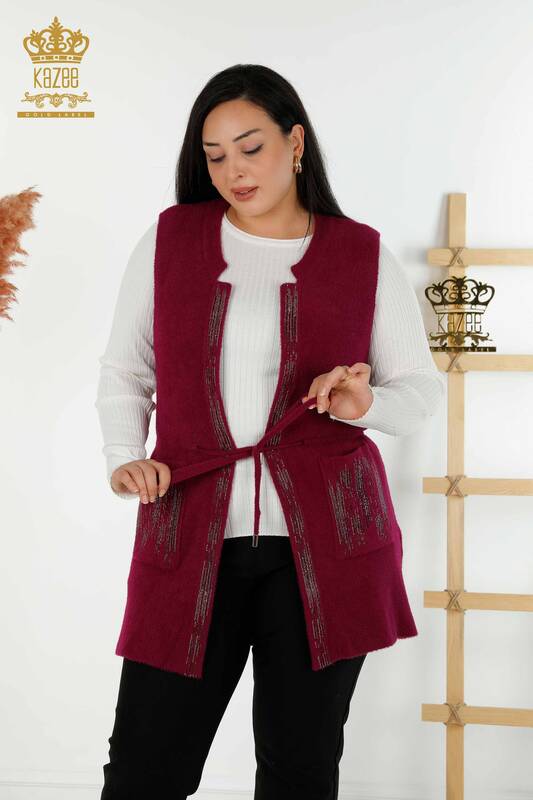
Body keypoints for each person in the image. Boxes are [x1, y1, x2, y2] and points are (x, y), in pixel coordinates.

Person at [96, 63, 444, 800]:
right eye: (214, 155)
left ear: (295, 142)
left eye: (250, 147)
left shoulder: (361, 253)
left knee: (300, 773)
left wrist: (361, 404)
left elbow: (418, 394)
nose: (233, 171)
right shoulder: (169, 241)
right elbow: (127, 369)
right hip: (188, 530)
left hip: (330, 544)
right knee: (143, 771)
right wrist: (125, 456)